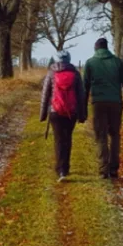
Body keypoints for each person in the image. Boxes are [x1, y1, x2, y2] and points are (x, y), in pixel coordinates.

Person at [83, 38, 123, 179]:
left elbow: (85, 87)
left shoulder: (90, 63)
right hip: (115, 103)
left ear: (96, 48)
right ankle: (114, 169)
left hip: (98, 103)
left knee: (101, 136)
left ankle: (103, 169)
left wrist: (83, 109)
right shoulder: (117, 62)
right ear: (107, 48)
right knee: (115, 135)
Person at [39, 49, 87, 182]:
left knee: (59, 140)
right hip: (71, 112)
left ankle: (60, 170)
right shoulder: (76, 74)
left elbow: (45, 95)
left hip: (55, 112)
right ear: (69, 60)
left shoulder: (50, 74)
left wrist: (42, 114)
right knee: (68, 138)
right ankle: (65, 168)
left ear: (55, 60)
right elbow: (81, 96)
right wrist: (82, 114)